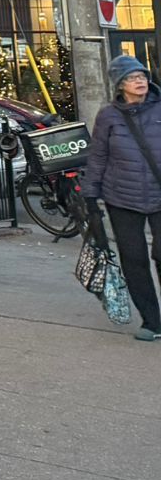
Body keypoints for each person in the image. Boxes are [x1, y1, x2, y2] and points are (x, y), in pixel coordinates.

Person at [82, 53, 161, 340]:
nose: (139, 81)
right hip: (122, 198)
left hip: (159, 195)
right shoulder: (108, 116)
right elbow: (98, 156)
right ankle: (152, 322)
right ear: (120, 85)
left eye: (141, 76)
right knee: (134, 259)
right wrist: (90, 195)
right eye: (131, 78)